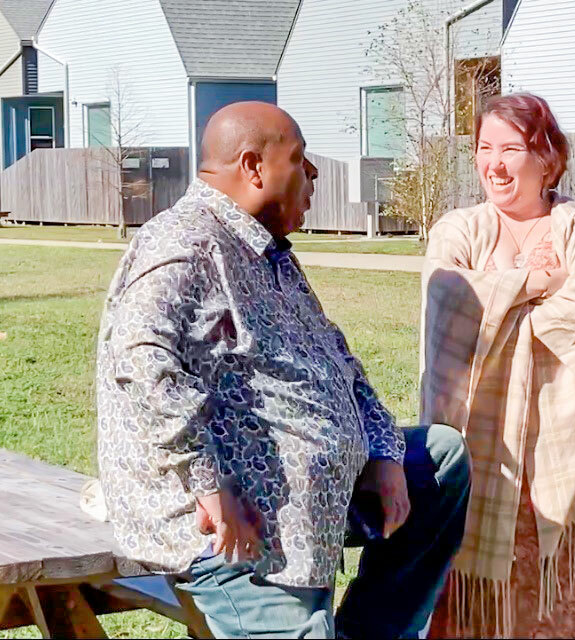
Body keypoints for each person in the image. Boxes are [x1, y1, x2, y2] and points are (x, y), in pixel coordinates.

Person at [95, 101, 470, 639]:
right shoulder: (182, 243)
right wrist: (208, 482)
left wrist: (384, 452)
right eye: (299, 160)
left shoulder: (266, 253)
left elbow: (337, 358)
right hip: (240, 523)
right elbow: (141, 361)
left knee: (439, 460)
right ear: (253, 167)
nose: (313, 175)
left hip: (307, 491)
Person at [420, 93, 575, 638]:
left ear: (546, 158)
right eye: (484, 148)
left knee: (566, 596)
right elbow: (449, 308)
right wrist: (540, 282)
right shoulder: (458, 230)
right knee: (473, 600)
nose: (494, 163)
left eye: (511, 148)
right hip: (482, 453)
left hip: (568, 449)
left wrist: (497, 296)